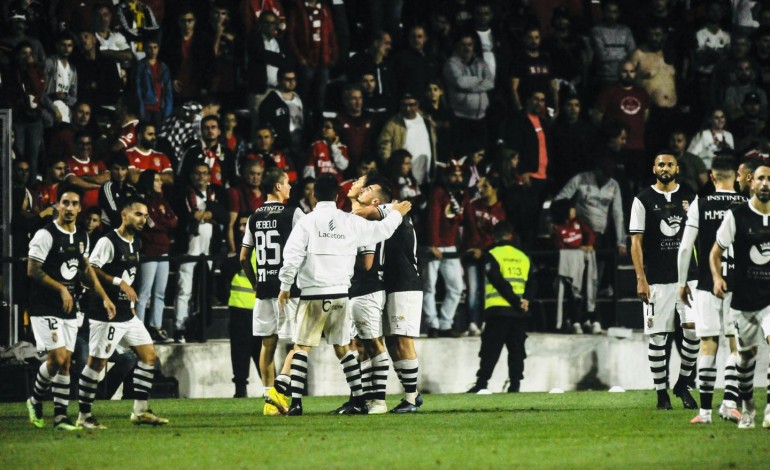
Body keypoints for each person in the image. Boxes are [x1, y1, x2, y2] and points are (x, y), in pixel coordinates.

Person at [276, 174, 411, 416]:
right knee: (343, 347)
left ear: (314, 195)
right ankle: (359, 398)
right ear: (337, 196)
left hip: (313, 293)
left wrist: (285, 287)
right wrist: (397, 213)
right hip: (340, 294)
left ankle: (296, 402)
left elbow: (292, 255)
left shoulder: (307, 222)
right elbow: (382, 231)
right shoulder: (348, 221)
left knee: (302, 347)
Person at [25, 186, 116, 431]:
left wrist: (105, 296)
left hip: (68, 307)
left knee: (66, 363)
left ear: (79, 208)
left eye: (75, 204)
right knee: (56, 359)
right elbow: (32, 270)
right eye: (65, 203)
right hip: (44, 305)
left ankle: (60, 417)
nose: (70, 208)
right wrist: (61, 288)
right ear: (58, 205)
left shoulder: (80, 237)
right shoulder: (45, 235)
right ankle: (34, 400)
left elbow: (85, 269)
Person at [75, 197, 168, 428]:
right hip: (107, 313)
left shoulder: (136, 242)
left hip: (127, 314)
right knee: (96, 364)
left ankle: (140, 411)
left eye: (145, 216)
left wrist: (132, 301)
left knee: (149, 357)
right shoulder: (108, 241)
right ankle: (84, 416)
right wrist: (118, 283)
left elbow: (130, 275)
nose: (143, 219)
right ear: (124, 215)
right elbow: (91, 270)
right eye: (138, 214)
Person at [677, 155, 748, 425]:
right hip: (739, 287)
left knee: (708, 344)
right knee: (736, 344)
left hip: (707, 284)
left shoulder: (700, 204)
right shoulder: (747, 206)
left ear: (712, 176)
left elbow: (685, 248)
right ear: (736, 176)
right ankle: (730, 404)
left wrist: (682, 284)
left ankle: (705, 412)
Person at [629, 151, 699, 410]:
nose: (665, 168)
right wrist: (640, 278)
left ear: (677, 168)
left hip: (688, 278)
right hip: (657, 280)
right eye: (661, 164)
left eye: (670, 164)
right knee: (658, 339)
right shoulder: (643, 199)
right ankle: (661, 394)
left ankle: (682, 382)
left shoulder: (690, 197)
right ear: (654, 168)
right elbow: (636, 242)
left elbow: (700, 237)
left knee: (693, 332)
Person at [710, 164, 770, 429]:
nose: (766, 183)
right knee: (746, 358)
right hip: (744, 299)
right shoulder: (737, 215)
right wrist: (717, 278)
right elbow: (715, 252)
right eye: (761, 178)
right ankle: (747, 407)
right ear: (751, 182)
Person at [240, 168, 302, 414]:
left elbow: (244, 256)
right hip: (288, 289)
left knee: (268, 344)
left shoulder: (254, 216)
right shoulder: (293, 213)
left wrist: (256, 282)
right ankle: (284, 394)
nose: (289, 187)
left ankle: (269, 401)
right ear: (277, 186)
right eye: (286, 183)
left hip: (264, 288)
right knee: (298, 343)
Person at [466, 222, 531, 394]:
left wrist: (515, 301)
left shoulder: (491, 255)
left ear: (494, 237)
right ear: (510, 235)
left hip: (498, 311)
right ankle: (515, 385)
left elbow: (498, 281)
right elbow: (532, 282)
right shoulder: (523, 256)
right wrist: (524, 301)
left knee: (490, 350)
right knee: (517, 351)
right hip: (519, 313)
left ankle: (481, 384)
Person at [423, 161, 479, 338]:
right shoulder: (438, 193)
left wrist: (475, 244)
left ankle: (446, 324)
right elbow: (433, 218)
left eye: (459, 175)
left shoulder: (463, 195)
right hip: (434, 246)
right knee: (429, 286)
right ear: (446, 176)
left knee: (455, 287)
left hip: (451, 247)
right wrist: (433, 243)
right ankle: (432, 324)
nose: (457, 178)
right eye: (453, 175)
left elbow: (470, 220)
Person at [135, 170, 177, 342]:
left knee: (160, 292)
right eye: (157, 180)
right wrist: (164, 222)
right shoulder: (143, 202)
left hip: (164, 250)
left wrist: (163, 222)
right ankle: (138, 330)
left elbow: (174, 220)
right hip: (149, 251)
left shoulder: (163, 201)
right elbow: (150, 224)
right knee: (144, 293)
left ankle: (155, 327)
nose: (161, 183)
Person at [550, 199, 598, 334]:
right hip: (566, 269)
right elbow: (559, 245)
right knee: (571, 293)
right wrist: (578, 248)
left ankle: (589, 320)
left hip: (582, 264)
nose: (574, 211)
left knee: (588, 290)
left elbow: (590, 234)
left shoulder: (578, 223)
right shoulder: (556, 228)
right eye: (571, 209)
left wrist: (589, 244)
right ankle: (574, 321)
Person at [98, 153, 136, 230]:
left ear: (127, 170)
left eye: (123, 169)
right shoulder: (108, 187)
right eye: (116, 169)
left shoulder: (131, 189)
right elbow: (113, 213)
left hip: (128, 229)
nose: (120, 173)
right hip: (110, 230)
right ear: (111, 170)